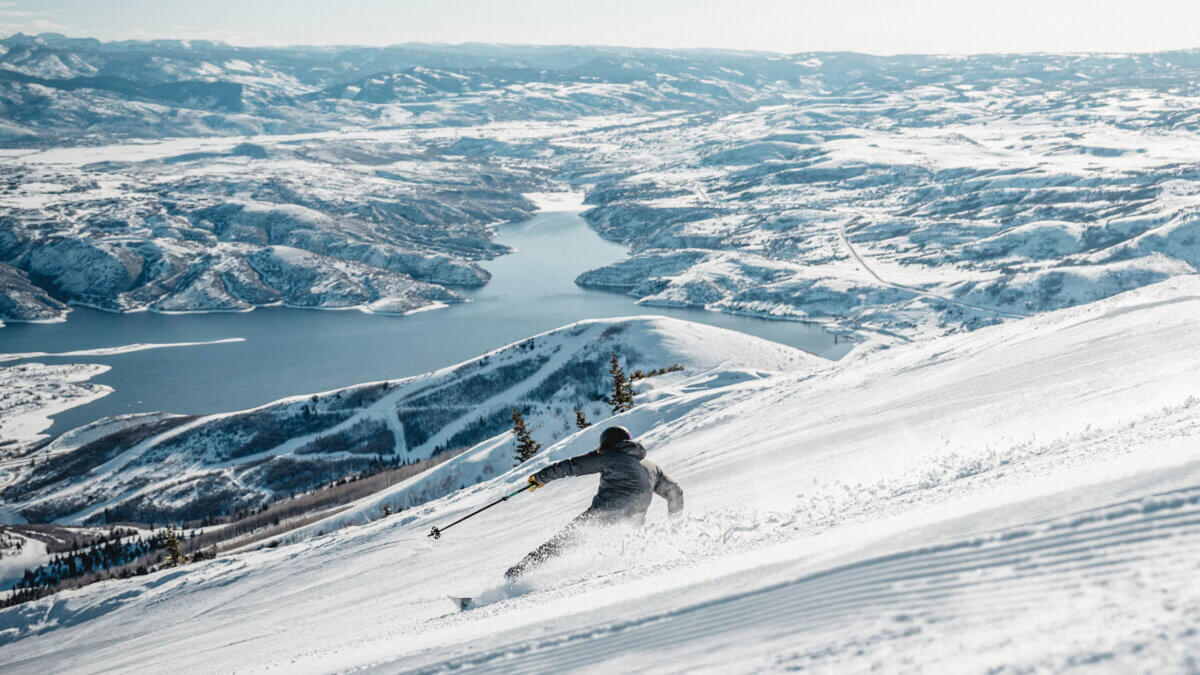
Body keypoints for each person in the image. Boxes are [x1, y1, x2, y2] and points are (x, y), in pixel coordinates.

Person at [504, 425, 683, 580]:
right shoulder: (652, 467)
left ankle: (520, 572)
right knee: (616, 548)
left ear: (606, 444)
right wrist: (674, 525)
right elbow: (675, 492)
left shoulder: (610, 456)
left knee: (563, 542)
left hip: (604, 514)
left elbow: (571, 465)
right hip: (634, 521)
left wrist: (539, 478)